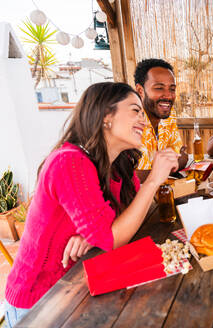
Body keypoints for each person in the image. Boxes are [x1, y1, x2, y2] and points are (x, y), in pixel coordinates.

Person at [4, 83, 179, 327]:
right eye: (134, 111)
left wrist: (90, 234)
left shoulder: (118, 162)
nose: (143, 119)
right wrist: (153, 181)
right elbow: (111, 238)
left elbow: (129, 218)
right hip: (41, 300)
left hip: (82, 283)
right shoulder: (71, 161)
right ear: (106, 115)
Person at [133, 58, 188, 183]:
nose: (168, 95)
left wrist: (167, 165)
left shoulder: (169, 114)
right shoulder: (132, 122)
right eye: (159, 88)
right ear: (140, 91)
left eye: (172, 89)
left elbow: (180, 155)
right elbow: (134, 178)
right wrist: (171, 165)